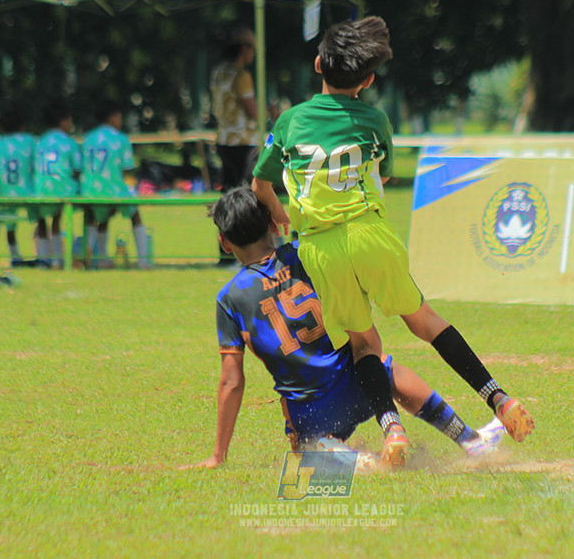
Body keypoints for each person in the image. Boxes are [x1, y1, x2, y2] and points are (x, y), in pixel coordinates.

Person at [251, 17, 534, 468]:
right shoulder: (375, 119)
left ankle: (392, 429)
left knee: (365, 343)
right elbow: (382, 175)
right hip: (370, 234)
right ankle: (497, 397)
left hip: (321, 248)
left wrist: (279, 209)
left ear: (318, 63)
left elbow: (260, 184)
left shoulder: (289, 121)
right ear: (367, 80)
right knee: (423, 319)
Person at [189, 187, 505, 469]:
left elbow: (231, 381)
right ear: (274, 223)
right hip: (357, 384)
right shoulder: (307, 253)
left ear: (224, 242)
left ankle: (339, 457)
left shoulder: (229, 298)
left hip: (308, 411)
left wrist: (218, 455)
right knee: (385, 369)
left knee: (307, 456)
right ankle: (468, 440)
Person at [80, 100, 150, 269]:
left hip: (90, 190)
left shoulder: (88, 138)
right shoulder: (120, 138)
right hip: (113, 189)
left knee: (98, 217)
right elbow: (127, 168)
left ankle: (98, 257)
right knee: (135, 215)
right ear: (112, 118)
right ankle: (143, 261)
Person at [0, 106, 48, 265]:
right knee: (41, 219)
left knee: (10, 225)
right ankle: (43, 256)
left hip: (6, 191)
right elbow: (36, 162)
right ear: (23, 125)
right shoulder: (29, 140)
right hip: (27, 189)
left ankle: (15, 256)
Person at [34, 99, 82, 268]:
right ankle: (57, 259)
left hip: (40, 189)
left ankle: (43, 258)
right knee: (57, 218)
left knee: (41, 220)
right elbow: (77, 168)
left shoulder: (41, 141)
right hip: (63, 189)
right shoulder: (69, 142)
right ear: (63, 121)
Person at [211, 27, 259, 192]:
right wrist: (269, 111)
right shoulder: (241, 76)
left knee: (229, 191)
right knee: (251, 190)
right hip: (242, 141)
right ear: (244, 48)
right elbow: (252, 112)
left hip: (223, 139)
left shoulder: (218, 72)